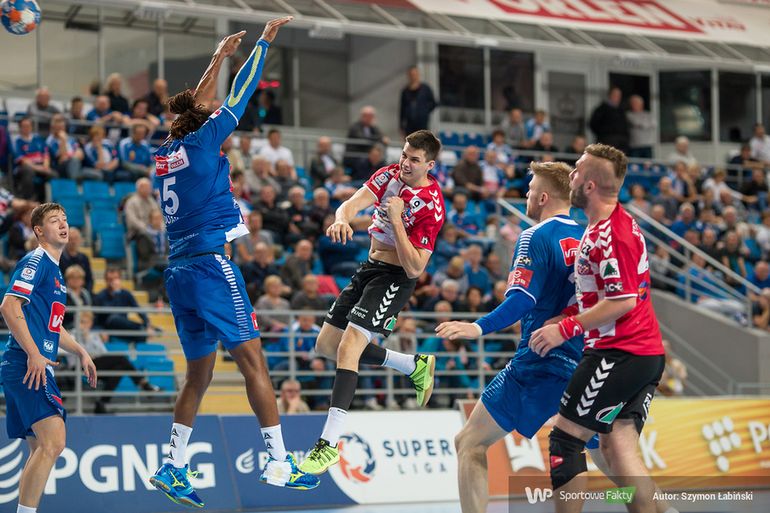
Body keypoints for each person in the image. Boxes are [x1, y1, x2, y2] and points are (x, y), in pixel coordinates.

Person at [147, 18, 319, 507]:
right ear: (203, 121)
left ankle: (173, 465)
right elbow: (240, 95)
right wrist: (263, 43)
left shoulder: (166, 153)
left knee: (198, 375)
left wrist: (218, 57)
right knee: (253, 362)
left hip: (179, 271)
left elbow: (195, 104)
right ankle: (278, 462)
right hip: (210, 266)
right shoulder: (204, 141)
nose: (211, 108)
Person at [435, 162, 595, 513]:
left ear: (543, 197)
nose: (525, 195)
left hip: (539, 360)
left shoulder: (534, 236)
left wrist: (477, 327)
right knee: (602, 453)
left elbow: (522, 300)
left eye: (530, 189)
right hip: (586, 360)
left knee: (469, 442)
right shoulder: (590, 237)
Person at [298, 130, 444, 475]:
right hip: (369, 267)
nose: (405, 163)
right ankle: (412, 365)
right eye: (404, 155)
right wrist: (341, 218)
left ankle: (328, 445)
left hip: (395, 277)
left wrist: (396, 219)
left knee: (349, 347)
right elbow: (352, 203)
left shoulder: (431, 205)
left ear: (429, 165)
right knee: (326, 345)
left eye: (414, 160)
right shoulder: (388, 174)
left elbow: (416, 267)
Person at [530, 144, 666, 513]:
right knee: (618, 449)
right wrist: (568, 313)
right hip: (642, 354)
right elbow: (607, 292)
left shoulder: (610, 235)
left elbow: (622, 301)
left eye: (576, 170)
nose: (570, 175)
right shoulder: (608, 225)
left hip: (619, 353)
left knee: (565, 440)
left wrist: (566, 328)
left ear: (589, 185)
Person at [0, 203, 97, 513]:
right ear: (39, 231)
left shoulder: (55, 270)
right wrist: (34, 353)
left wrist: (80, 350)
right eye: (55, 220)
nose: (63, 224)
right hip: (27, 363)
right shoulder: (37, 260)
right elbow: (9, 306)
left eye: (65, 219)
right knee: (54, 442)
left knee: (41, 448)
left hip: (28, 364)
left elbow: (52, 326)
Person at [71, 311, 160, 414]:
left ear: (91, 323)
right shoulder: (72, 335)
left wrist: (90, 340)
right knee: (121, 358)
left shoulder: (94, 336)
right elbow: (76, 353)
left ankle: (102, 403)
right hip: (81, 366)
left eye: (87, 322)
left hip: (96, 364)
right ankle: (143, 384)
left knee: (119, 368)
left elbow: (103, 353)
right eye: (82, 322)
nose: (84, 325)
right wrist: (85, 341)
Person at [399, 66, 437, 136]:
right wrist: (401, 126)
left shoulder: (425, 89)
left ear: (418, 75)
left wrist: (424, 111)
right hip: (409, 124)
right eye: (411, 75)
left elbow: (434, 103)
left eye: (415, 74)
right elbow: (402, 109)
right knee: (410, 141)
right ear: (409, 76)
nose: (413, 76)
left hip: (422, 123)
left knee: (422, 140)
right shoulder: (405, 91)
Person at [626, 95, 655, 159]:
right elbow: (635, 122)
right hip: (635, 145)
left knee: (649, 163)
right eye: (633, 103)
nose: (635, 105)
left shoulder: (648, 114)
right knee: (635, 163)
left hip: (647, 144)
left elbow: (654, 124)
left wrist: (642, 125)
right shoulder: (629, 114)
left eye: (637, 103)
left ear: (642, 104)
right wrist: (646, 124)